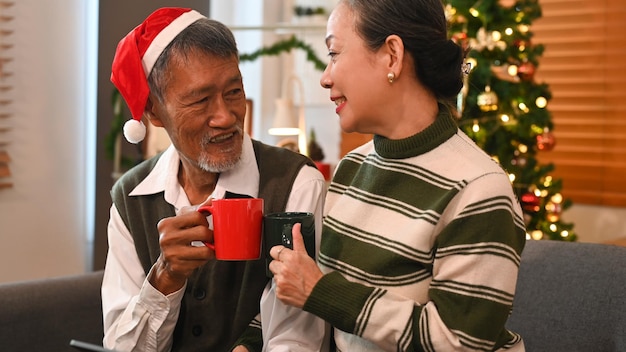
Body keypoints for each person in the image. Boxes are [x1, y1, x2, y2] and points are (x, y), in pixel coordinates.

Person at [268, 0, 527, 351]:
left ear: (391, 55)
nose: (325, 77)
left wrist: (322, 293)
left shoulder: (478, 190)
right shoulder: (352, 168)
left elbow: (458, 341)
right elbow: (311, 297)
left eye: (334, 53)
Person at [102, 7, 329, 352]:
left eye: (234, 92)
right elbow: (121, 347)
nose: (225, 117)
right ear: (154, 112)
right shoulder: (131, 199)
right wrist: (165, 278)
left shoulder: (296, 183)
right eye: (201, 100)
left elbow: (297, 337)